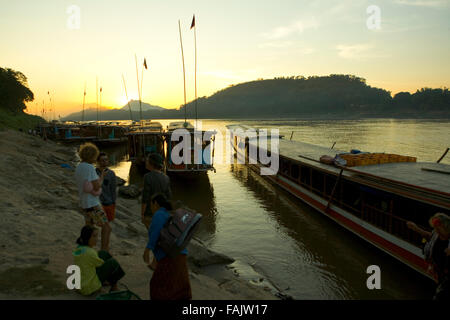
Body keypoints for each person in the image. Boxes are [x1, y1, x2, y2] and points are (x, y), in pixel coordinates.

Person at [143, 193, 191, 300]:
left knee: (158, 286)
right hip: (180, 254)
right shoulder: (169, 214)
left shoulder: (159, 214)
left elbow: (155, 232)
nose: (151, 207)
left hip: (168, 257)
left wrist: (147, 249)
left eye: (151, 204)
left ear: (155, 203)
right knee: (180, 286)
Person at [74, 143, 111, 251]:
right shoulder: (90, 168)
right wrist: (102, 177)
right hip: (92, 204)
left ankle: (86, 249)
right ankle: (104, 250)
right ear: (92, 155)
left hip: (83, 203)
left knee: (89, 227)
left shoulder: (79, 167)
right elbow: (97, 186)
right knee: (106, 227)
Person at [407, 213, 450, 300]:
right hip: (440, 274)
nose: (436, 230)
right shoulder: (436, 234)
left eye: (438, 228)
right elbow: (429, 236)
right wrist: (415, 228)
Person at [73, 226, 125, 296]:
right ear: (87, 237)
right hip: (88, 288)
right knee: (112, 263)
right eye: (94, 236)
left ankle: (110, 283)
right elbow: (101, 264)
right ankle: (114, 286)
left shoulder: (79, 248)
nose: (96, 239)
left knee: (103, 253)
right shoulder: (90, 252)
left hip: (79, 285)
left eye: (97, 236)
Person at [141, 153, 172, 229]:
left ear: (152, 164)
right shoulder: (166, 178)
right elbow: (169, 197)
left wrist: (142, 213)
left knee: (152, 233)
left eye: (147, 161)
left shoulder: (147, 177)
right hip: (162, 213)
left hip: (150, 213)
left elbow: (145, 197)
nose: (146, 162)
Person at [96, 152, 117, 223]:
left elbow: (113, 189)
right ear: (98, 162)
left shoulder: (111, 173)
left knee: (110, 223)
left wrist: (113, 202)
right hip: (98, 204)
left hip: (109, 203)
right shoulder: (94, 173)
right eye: (103, 160)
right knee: (100, 224)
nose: (105, 162)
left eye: (106, 160)